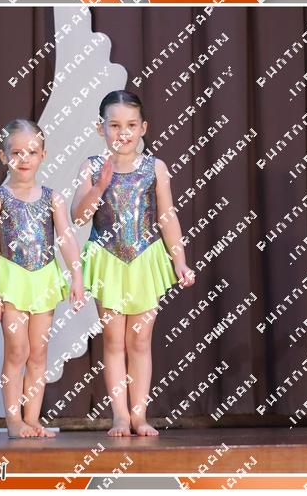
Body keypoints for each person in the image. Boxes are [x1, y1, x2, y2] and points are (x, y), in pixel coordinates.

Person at [71, 90, 196, 437]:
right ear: (101, 128)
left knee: (140, 342)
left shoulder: (155, 168)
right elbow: (78, 216)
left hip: (144, 260)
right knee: (113, 341)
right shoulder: (91, 167)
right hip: (108, 259)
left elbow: (167, 216)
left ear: (143, 128)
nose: (122, 133)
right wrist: (99, 187)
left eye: (130, 125)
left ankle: (139, 415)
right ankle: (120, 416)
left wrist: (180, 261)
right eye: (114, 125)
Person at [0, 119, 85, 438]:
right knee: (17, 350)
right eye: (16, 152)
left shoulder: (52, 197)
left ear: (43, 155)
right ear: (3, 156)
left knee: (38, 353)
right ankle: (14, 420)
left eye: (32, 152)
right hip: (12, 280)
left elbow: (65, 237)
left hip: (43, 280)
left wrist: (77, 277)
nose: (24, 159)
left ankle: (32, 418)